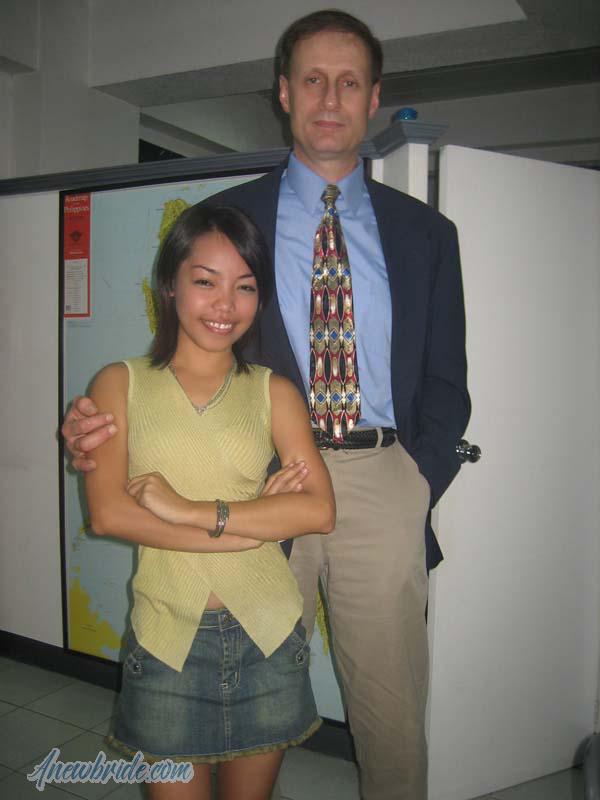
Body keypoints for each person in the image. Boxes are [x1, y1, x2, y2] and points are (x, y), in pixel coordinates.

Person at [63, 10, 470, 800]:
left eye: (349, 82)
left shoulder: (427, 233)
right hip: (252, 475)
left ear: (374, 98)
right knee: (244, 700)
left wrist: (418, 479)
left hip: (379, 473)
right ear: (284, 93)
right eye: (313, 79)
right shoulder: (230, 217)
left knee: (390, 715)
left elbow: (447, 380)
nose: (330, 98)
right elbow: (189, 352)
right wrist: (103, 427)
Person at [83, 203, 335, 800]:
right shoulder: (120, 383)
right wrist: (249, 529)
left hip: (268, 633)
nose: (226, 305)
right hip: (166, 636)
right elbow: (110, 514)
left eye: (245, 287)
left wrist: (192, 510)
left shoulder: (274, 391)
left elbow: (319, 510)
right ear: (170, 284)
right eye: (206, 281)